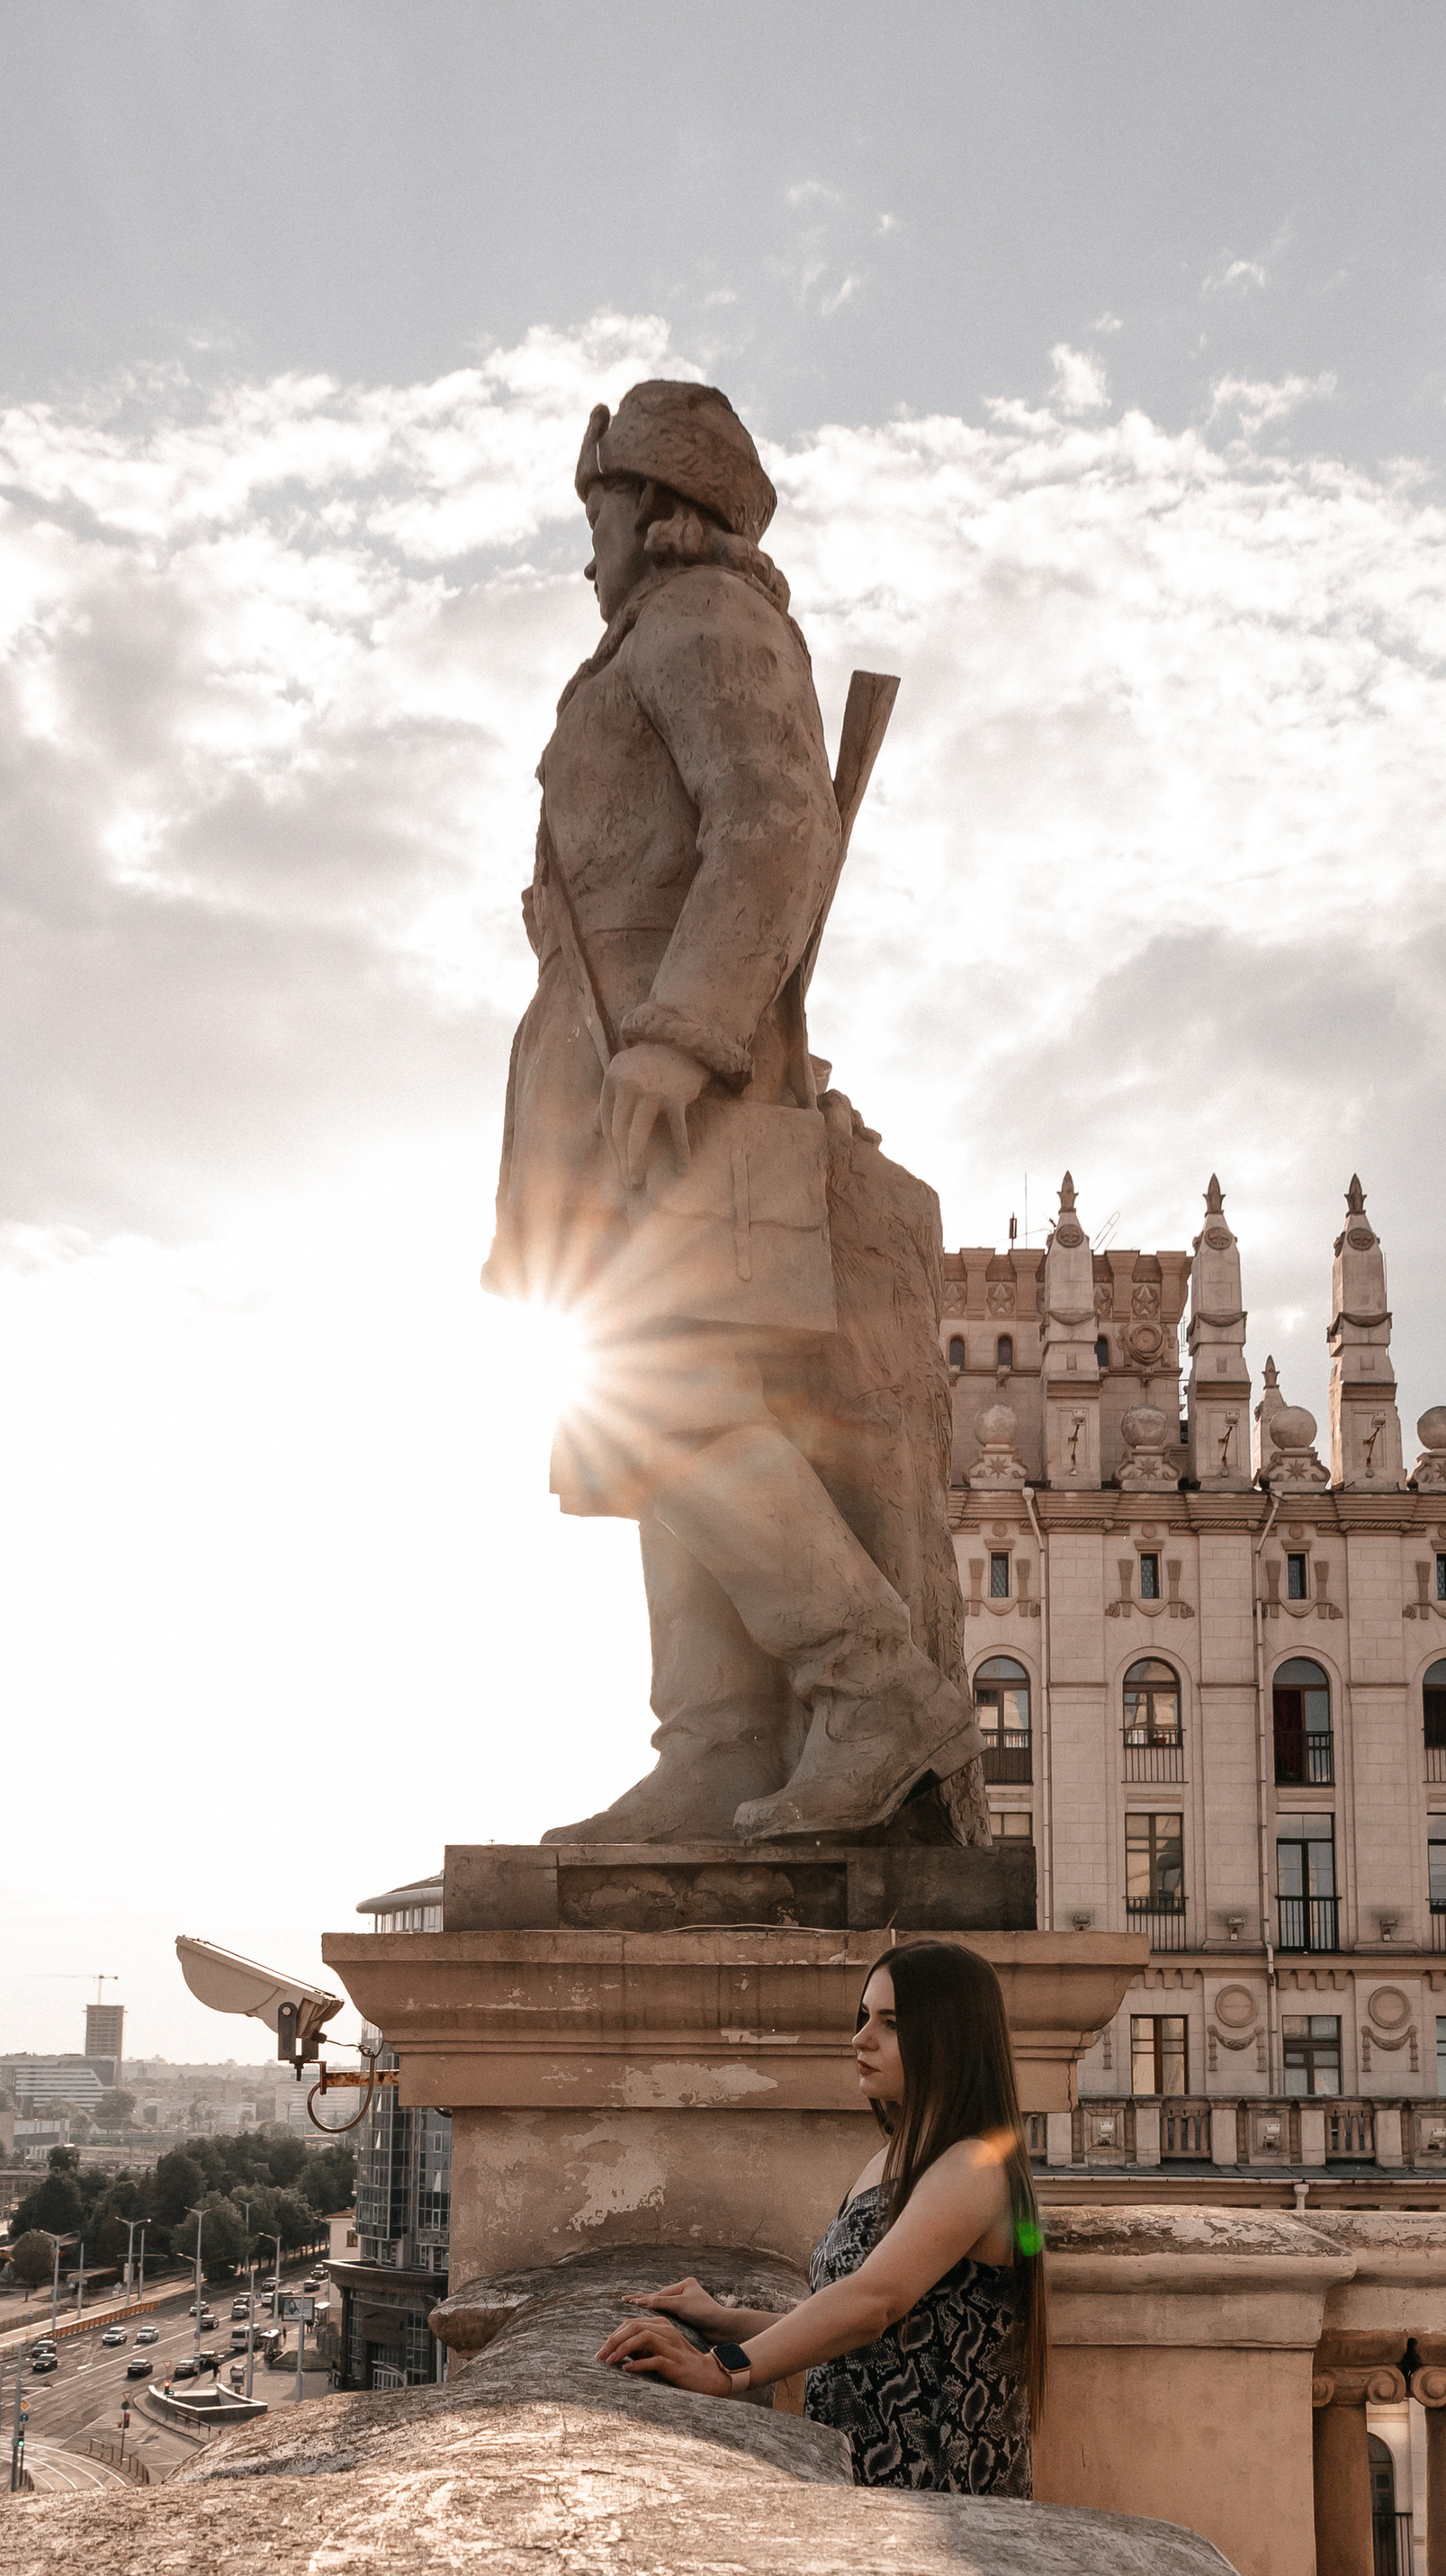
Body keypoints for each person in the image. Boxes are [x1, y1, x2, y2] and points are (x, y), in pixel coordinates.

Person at [483, 375, 980, 1843]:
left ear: (658, 508)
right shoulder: (649, 637)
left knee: (665, 1386)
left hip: (672, 1075)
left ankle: (871, 1679)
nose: (589, 552)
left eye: (600, 514)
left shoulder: (707, 621)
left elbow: (774, 823)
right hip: (606, 1064)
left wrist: (680, 1041)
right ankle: (716, 1738)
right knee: (653, 1390)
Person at [594, 1941, 1042, 2495]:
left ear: (950, 2039)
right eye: (864, 2017)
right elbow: (855, 2337)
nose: (860, 2038)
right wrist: (722, 2321)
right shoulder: (897, 2159)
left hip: (941, 2499)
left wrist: (721, 2369)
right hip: (870, 2482)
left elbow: (873, 2305)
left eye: (891, 2023)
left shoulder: (975, 2165)